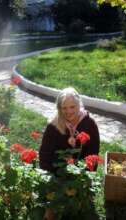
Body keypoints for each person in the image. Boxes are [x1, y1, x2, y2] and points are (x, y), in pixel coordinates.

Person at [39, 87, 100, 220]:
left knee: (75, 203)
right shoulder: (53, 125)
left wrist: (85, 176)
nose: (68, 111)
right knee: (56, 198)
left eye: (72, 107)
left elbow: (93, 154)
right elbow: (45, 154)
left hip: (80, 171)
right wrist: (48, 175)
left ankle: (79, 198)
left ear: (79, 105)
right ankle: (52, 207)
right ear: (59, 108)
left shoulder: (89, 124)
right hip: (57, 170)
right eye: (64, 108)